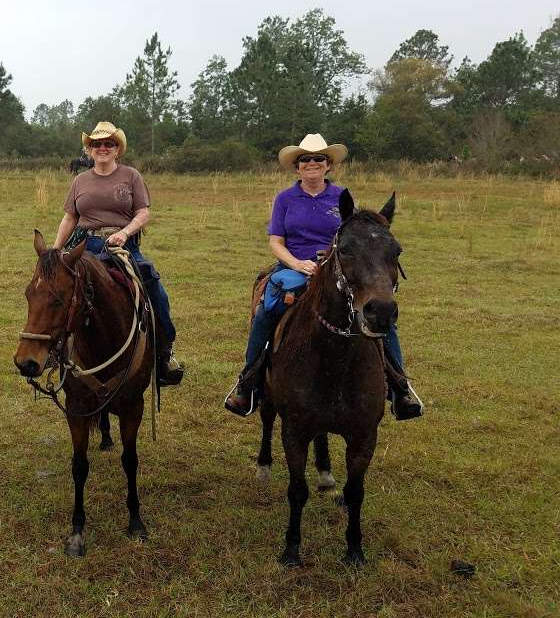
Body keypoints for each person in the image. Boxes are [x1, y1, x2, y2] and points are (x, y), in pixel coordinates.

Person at [223, 133, 423, 419]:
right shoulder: (285, 199)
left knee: (380, 314)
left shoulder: (342, 198)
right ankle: (248, 382)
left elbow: (356, 239)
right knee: (268, 308)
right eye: (306, 159)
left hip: (336, 271)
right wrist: (298, 263)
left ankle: (400, 387)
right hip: (293, 268)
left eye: (318, 158)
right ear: (297, 167)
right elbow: (275, 242)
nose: (312, 163)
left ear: (328, 165)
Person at [52, 121, 183, 386]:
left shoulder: (131, 176)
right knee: (56, 292)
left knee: (153, 285)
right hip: (84, 246)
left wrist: (125, 232)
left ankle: (163, 354)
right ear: (89, 150)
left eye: (108, 143)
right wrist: (56, 250)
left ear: (117, 149)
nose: (102, 148)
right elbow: (70, 217)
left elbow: (143, 212)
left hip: (123, 247)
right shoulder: (80, 181)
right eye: (96, 144)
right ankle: (55, 353)